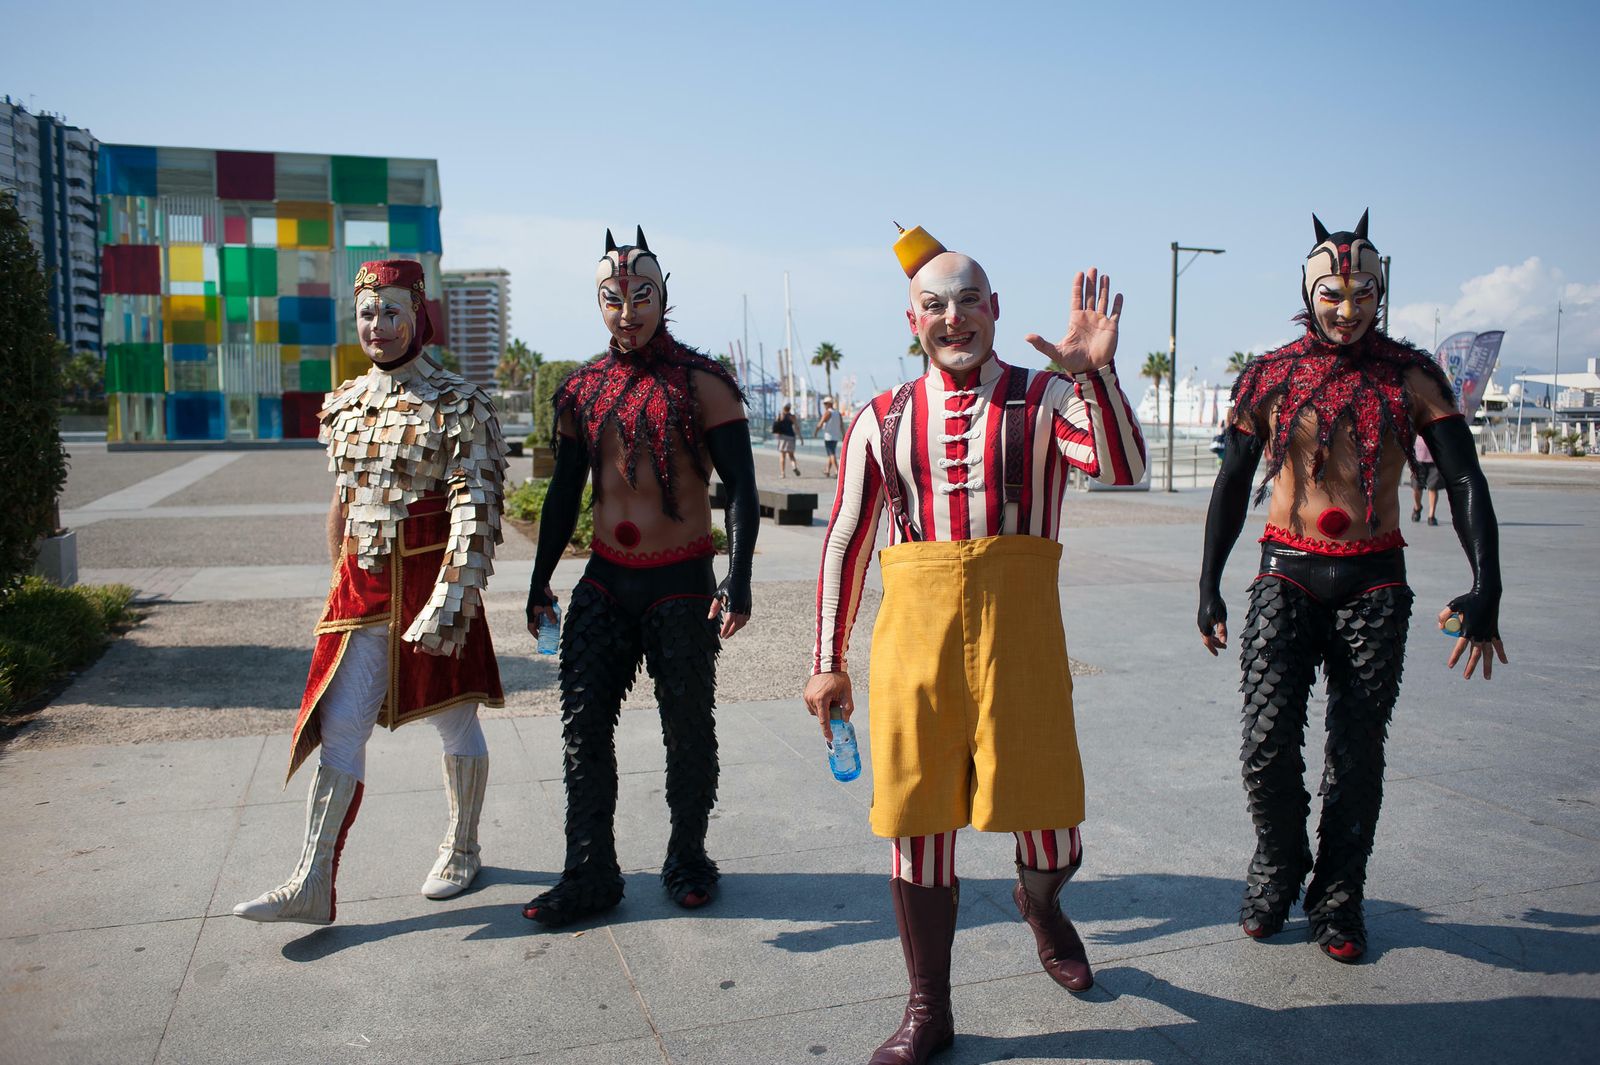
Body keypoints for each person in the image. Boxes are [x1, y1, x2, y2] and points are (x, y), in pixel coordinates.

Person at [805, 224, 1146, 1064]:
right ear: (911, 319)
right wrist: (826, 658)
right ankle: (929, 1008)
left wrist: (1094, 373)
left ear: (995, 310)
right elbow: (847, 539)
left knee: (1049, 821)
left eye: (968, 302)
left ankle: (1042, 902)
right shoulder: (879, 418)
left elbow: (1122, 463)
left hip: (1020, 636)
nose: (953, 318)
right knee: (917, 822)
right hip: (915, 640)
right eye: (934, 305)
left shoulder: (1046, 397)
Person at [1197, 211, 1508, 963]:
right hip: (1285, 573)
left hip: (1375, 580)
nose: (1346, 306)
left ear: (1381, 290)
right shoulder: (1270, 375)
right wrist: (1208, 584)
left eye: (1362, 290)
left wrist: (1485, 586)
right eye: (1332, 292)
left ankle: (1339, 895)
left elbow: (1463, 476)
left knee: (1358, 750)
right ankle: (1278, 862)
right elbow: (1233, 481)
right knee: (1267, 744)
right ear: (1310, 291)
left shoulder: (1411, 375)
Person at [234, 259, 507, 925]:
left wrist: (453, 594)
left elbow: (476, 505)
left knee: (453, 714)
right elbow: (344, 504)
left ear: (416, 314)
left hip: (432, 584)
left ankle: (463, 844)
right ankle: (312, 879)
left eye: (390, 311)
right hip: (363, 590)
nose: (377, 325)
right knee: (341, 722)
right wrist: (337, 580)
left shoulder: (460, 403)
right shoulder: (347, 403)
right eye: (366, 312)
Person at [522, 227, 759, 926]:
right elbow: (565, 493)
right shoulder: (581, 390)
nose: (628, 311)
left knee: (688, 728)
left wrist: (736, 580)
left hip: (682, 581)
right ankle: (589, 870)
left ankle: (688, 855)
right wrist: (539, 582)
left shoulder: (702, 381)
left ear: (663, 296)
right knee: (582, 727)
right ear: (599, 304)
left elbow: (741, 487)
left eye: (641, 296)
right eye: (613, 298)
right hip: (604, 581)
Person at [1411, 434, 1443, 525]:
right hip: (1418, 457)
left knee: (1433, 487)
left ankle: (1431, 515)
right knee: (1416, 487)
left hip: (1436, 457)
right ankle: (1417, 507)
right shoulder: (1419, 419)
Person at [815, 396, 844, 477]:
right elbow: (841, 425)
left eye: (825, 404)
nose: (824, 405)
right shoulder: (838, 413)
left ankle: (837, 470)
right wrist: (844, 435)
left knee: (831, 453)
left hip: (828, 436)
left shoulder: (828, 412)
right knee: (831, 453)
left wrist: (816, 432)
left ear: (829, 404)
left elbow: (821, 423)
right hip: (836, 436)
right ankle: (827, 470)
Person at [772, 403, 801, 477]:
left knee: (782, 455)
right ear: (789, 408)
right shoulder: (792, 416)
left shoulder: (780, 415)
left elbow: (776, 425)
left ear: (783, 408)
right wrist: (800, 437)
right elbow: (797, 427)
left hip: (782, 437)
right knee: (791, 455)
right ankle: (794, 466)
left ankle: (783, 473)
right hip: (791, 436)